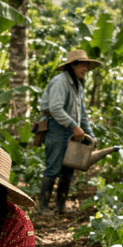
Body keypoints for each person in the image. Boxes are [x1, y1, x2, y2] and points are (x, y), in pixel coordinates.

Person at [36, 49, 100, 214]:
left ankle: (60, 207)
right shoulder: (60, 82)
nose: (86, 69)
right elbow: (55, 108)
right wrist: (73, 126)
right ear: (73, 66)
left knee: (68, 170)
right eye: (83, 65)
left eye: (87, 66)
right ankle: (43, 207)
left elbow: (82, 115)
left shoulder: (78, 84)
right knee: (53, 167)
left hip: (71, 130)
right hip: (56, 128)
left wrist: (90, 135)